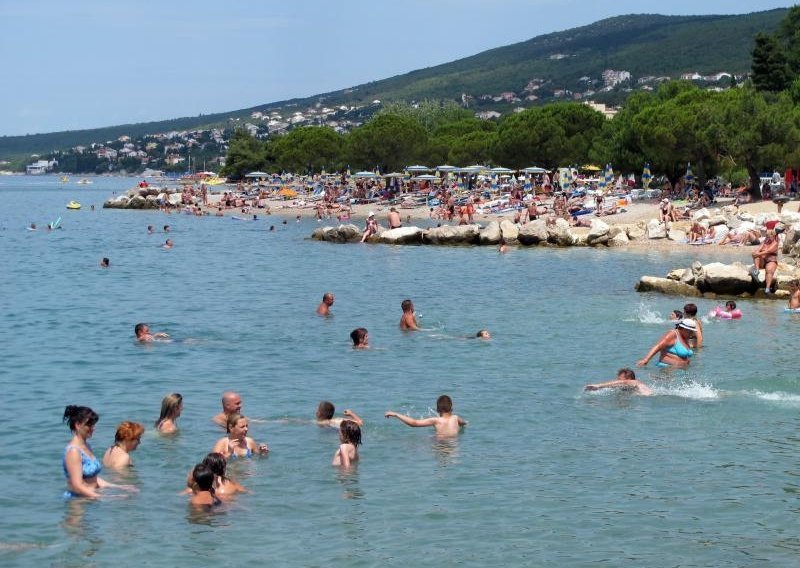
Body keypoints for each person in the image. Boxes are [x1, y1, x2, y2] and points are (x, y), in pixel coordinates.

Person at [62, 405, 128, 499]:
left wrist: (118, 487)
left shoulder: (86, 446)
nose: (93, 428)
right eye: (89, 425)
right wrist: (107, 497)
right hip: (78, 503)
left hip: (90, 498)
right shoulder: (73, 452)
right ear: (78, 425)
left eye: (93, 424)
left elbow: (92, 479)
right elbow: (77, 486)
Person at [385, 395, 467, 437]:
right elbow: (464, 423)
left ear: (437, 410)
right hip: (453, 446)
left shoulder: (436, 420)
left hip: (440, 445)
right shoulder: (456, 418)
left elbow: (414, 423)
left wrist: (396, 414)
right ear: (451, 408)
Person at [585, 368, 653, 396]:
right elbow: (615, 386)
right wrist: (596, 389)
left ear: (629, 379)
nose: (618, 382)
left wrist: (599, 385)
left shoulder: (635, 382)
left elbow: (623, 382)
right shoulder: (632, 387)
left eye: (619, 380)